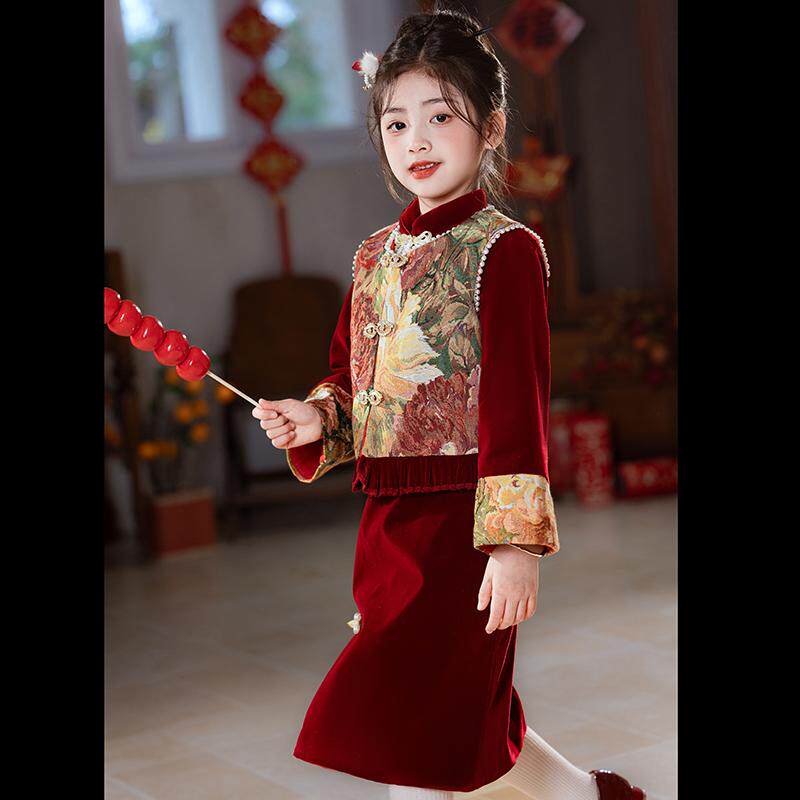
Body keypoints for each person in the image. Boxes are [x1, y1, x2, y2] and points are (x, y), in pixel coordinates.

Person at [252, 6, 646, 800]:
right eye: (397, 123)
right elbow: (352, 382)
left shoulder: (505, 251)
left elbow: (516, 402)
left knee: (408, 725)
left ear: (490, 127)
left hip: (462, 528)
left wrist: (513, 546)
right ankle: (589, 795)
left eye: (440, 117)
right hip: (387, 527)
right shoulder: (373, 257)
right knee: (450, 713)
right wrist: (315, 418)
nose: (417, 141)